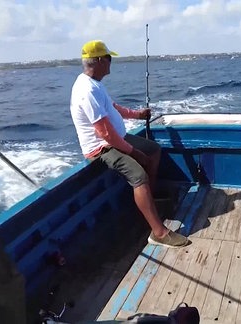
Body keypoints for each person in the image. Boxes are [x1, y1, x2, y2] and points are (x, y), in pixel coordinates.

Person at [70, 40, 189, 247]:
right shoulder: (86, 91)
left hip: (116, 138)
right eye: (108, 58)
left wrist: (137, 114)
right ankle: (158, 233)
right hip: (101, 147)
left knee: (153, 150)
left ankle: (147, 200)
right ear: (98, 61)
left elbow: (113, 107)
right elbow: (105, 133)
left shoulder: (96, 85)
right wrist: (134, 152)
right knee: (139, 174)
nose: (111, 62)